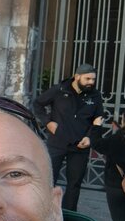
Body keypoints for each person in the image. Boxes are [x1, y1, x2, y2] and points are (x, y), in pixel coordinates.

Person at [33, 63, 103, 211]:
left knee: (74, 184)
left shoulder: (95, 95)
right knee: (48, 179)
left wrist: (90, 138)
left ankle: (69, 215)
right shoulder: (59, 90)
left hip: (80, 145)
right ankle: (44, 212)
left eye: (93, 79)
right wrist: (48, 122)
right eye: (88, 79)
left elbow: (98, 119)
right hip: (57, 142)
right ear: (77, 77)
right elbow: (38, 104)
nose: (91, 82)